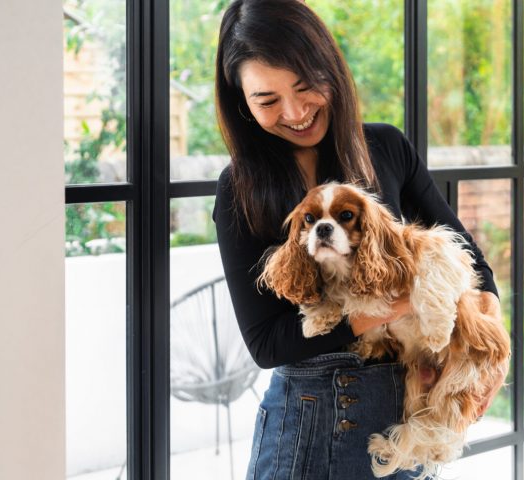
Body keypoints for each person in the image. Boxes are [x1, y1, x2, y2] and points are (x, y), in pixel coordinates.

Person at [211, 1, 502, 478]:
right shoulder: (238, 188)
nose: (295, 111)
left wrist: (493, 351)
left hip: (403, 415)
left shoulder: (386, 146)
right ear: (242, 102)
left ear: (332, 71)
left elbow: (469, 259)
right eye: (267, 100)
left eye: (306, 87)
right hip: (309, 421)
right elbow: (266, 345)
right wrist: (401, 303)